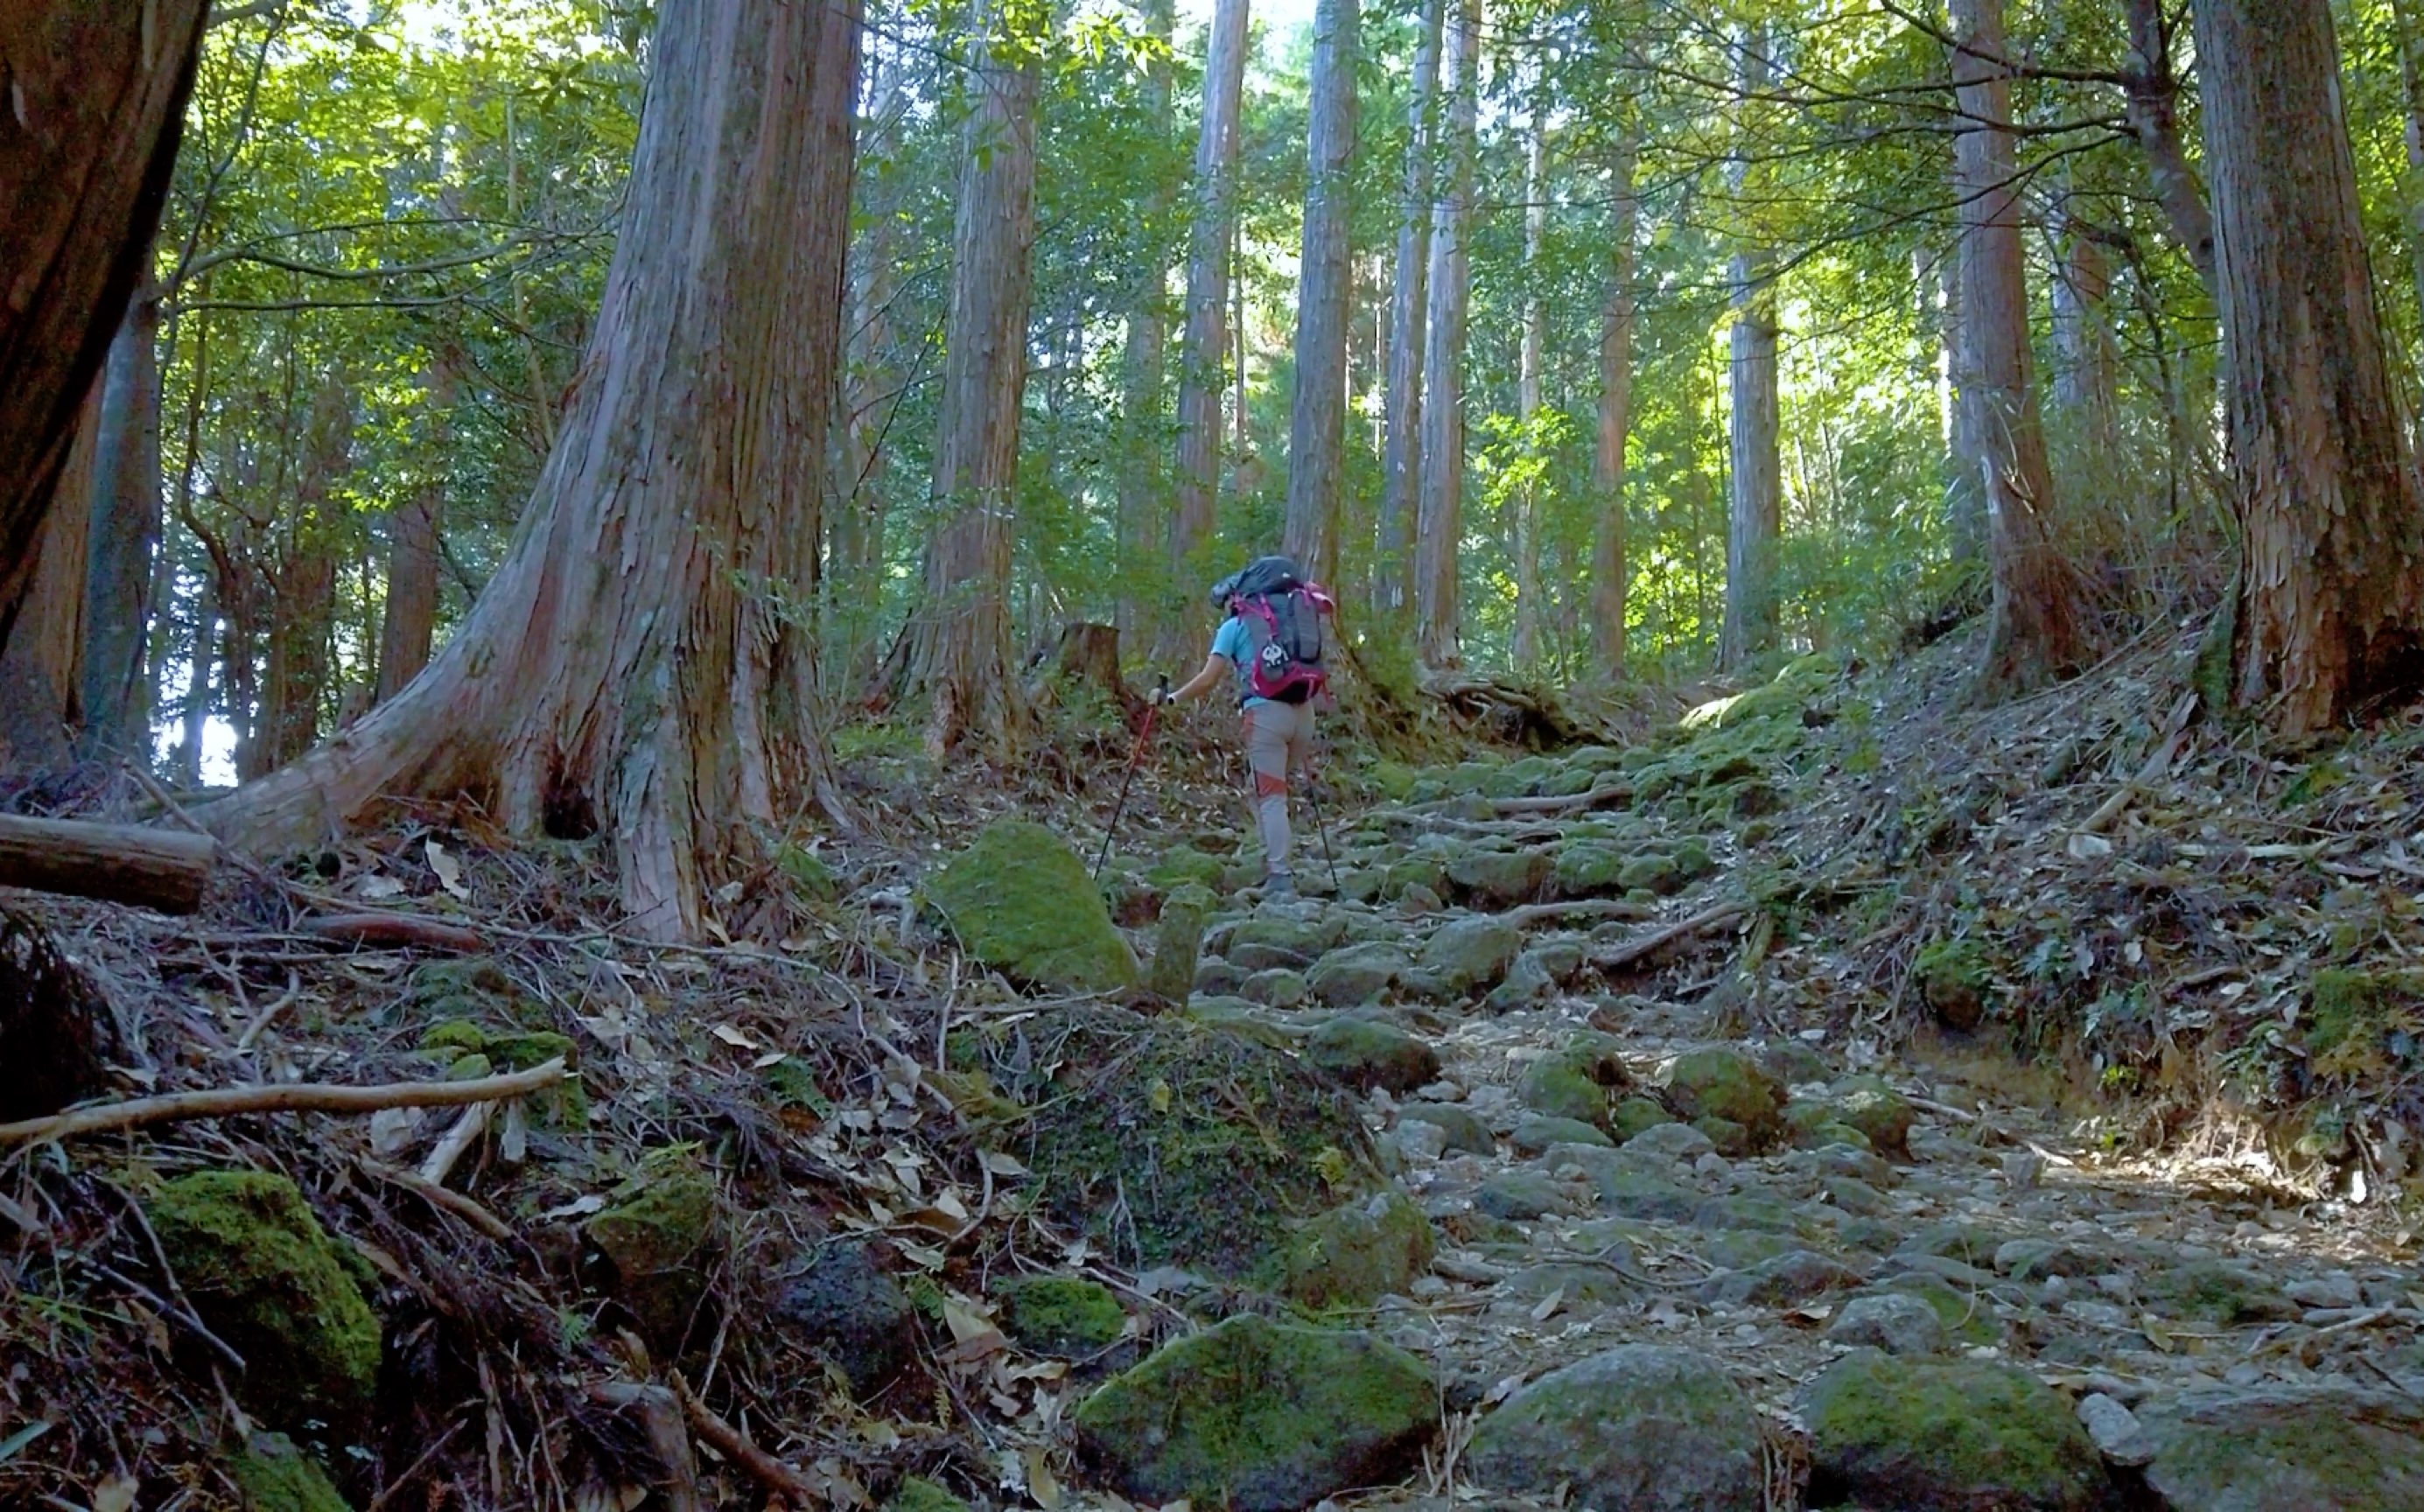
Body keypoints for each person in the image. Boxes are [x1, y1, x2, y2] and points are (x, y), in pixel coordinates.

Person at [1154, 556, 1330, 898]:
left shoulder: (1234, 627)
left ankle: (1280, 876)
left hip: (1265, 717)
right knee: (1263, 789)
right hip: (1304, 714)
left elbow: (1207, 680)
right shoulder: (1295, 618)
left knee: (1271, 796)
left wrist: (1172, 698)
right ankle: (1272, 858)